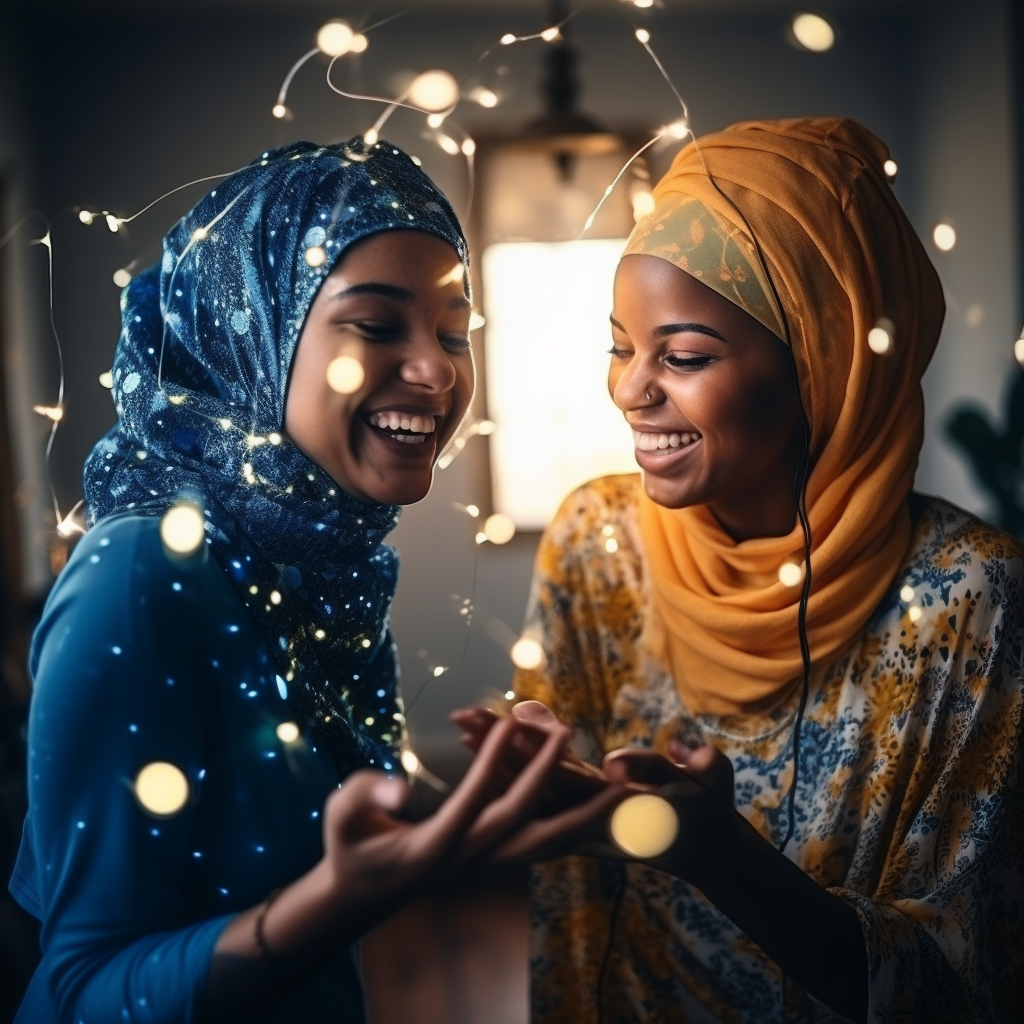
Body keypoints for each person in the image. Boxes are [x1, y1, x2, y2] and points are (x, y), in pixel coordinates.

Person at [7, 137, 619, 1024]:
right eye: (376, 325)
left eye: (454, 332)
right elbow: (82, 989)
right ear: (251, 330)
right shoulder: (142, 574)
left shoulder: (322, 569)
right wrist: (341, 898)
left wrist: (481, 817)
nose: (439, 371)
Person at [495, 118, 1024, 1022]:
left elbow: (961, 986)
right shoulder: (596, 541)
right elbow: (568, 902)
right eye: (620, 345)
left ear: (824, 359)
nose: (630, 389)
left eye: (685, 356)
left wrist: (714, 854)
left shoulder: (973, 600)